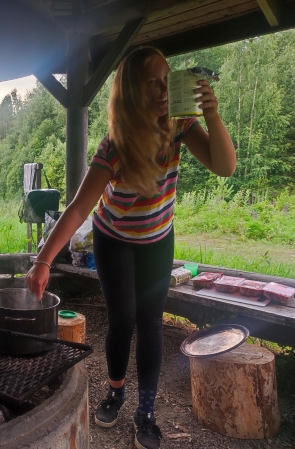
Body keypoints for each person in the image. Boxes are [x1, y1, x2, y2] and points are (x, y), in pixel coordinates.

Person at [26, 46, 236, 449]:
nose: (162, 90)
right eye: (152, 83)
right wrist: (43, 261)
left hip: (158, 239)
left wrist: (211, 113)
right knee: (122, 320)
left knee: (151, 322)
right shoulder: (114, 146)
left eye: (166, 80)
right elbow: (78, 208)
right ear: (132, 94)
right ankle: (116, 392)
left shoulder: (180, 126)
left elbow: (224, 166)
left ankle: (146, 411)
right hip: (114, 240)